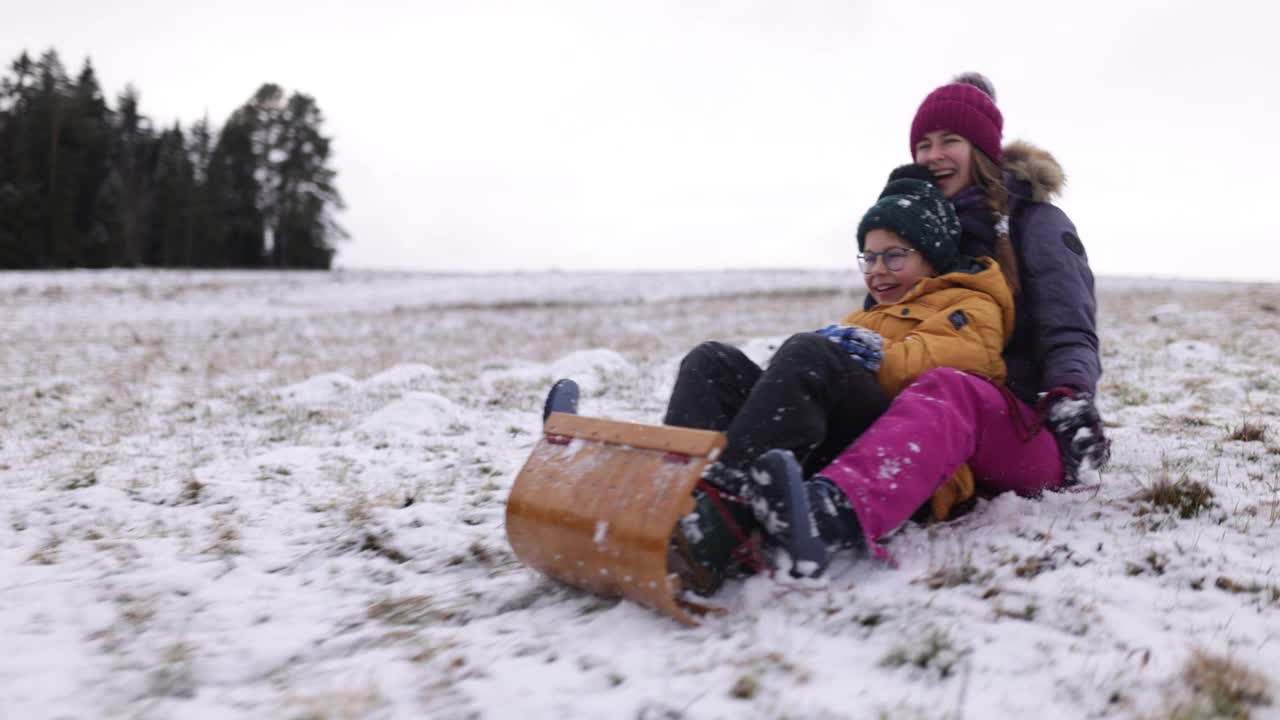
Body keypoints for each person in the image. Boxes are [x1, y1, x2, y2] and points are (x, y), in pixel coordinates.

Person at [747, 73, 1111, 576]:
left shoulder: (1037, 223)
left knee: (949, 388)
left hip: (1024, 424)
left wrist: (1070, 397)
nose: (933, 154)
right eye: (923, 143)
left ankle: (827, 516)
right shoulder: (925, 232)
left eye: (949, 141)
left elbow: (1070, 326)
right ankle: (731, 495)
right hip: (921, 420)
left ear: (981, 148)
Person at [663, 168, 1013, 592]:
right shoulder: (865, 317)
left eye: (894, 255)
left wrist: (865, 355)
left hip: (902, 467)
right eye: (869, 257)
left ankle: (724, 518)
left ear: (932, 255)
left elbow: (954, 365)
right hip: (841, 446)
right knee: (711, 362)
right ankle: (680, 493)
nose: (878, 270)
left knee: (811, 354)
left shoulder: (970, 303)